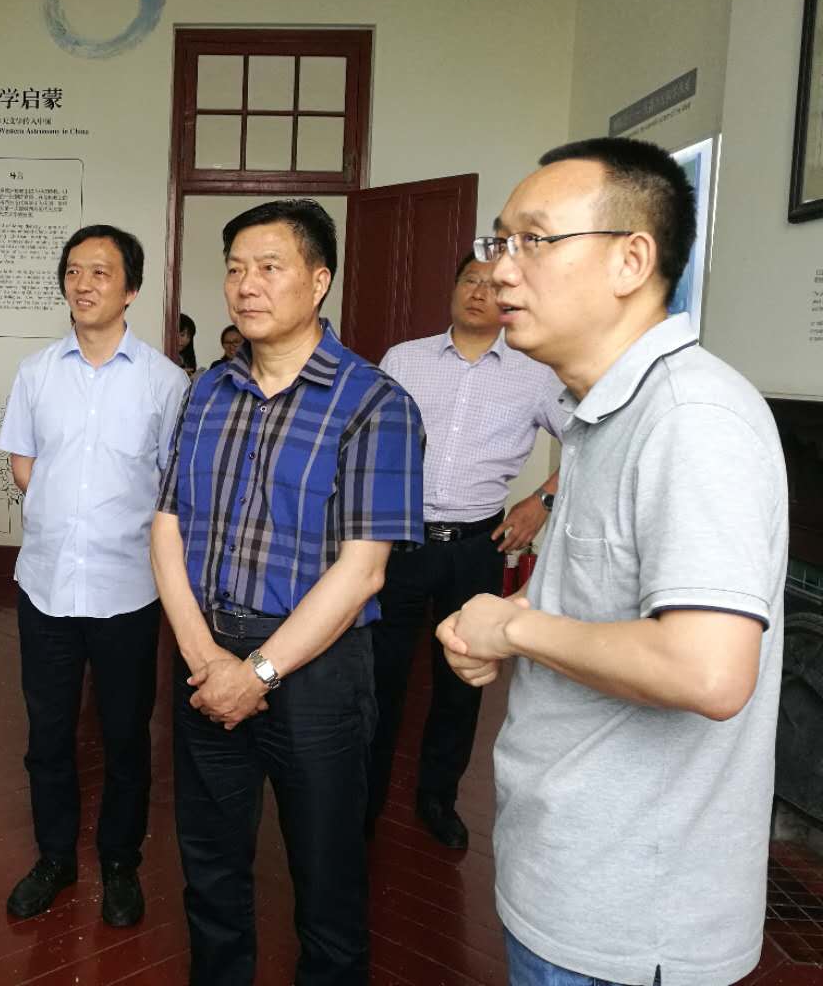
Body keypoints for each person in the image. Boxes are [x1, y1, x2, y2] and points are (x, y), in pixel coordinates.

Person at [439, 138, 786, 984]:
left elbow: (707, 670)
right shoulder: (602, 415)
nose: (502, 271)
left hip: (631, 922)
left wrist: (512, 628)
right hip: (570, 879)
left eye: (533, 240)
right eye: (499, 241)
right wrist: (513, 619)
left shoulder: (692, 419)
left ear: (632, 259)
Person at [153, 199, 424, 984]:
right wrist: (206, 659)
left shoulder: (374, 402)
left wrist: (259, 673)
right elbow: (166, 527)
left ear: (318, 280)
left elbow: (363, 571)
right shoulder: (206, 391)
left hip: (318, 672)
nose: (246, 285)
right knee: (209, 867)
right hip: (207, 656)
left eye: (269, 267)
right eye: (235, 268)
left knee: (327, 878)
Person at [0, 225, 188, 926]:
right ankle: (54, 858)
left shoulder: (166, 382)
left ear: (130, 289)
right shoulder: (37, 372)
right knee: (47, 736)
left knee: (126, 736)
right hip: (45, 585)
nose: (83, 284)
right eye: (74, 270)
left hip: (127, 590)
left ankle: (120, 861)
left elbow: (173, 485)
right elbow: (22, 462)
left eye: (101, 272)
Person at [366, 251, 564, 849]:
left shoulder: (536, 372)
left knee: (461, 679)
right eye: (469, 281)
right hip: (400, 544)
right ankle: (363, 799)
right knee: (379, 676)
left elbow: (590, 441)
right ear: (453, 289)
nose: (479, 292)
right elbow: (367, 439)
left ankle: (438, 797)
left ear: (510, 296)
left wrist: (543, 500)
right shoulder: (404, 359)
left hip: (477, 546)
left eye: (491, 284)